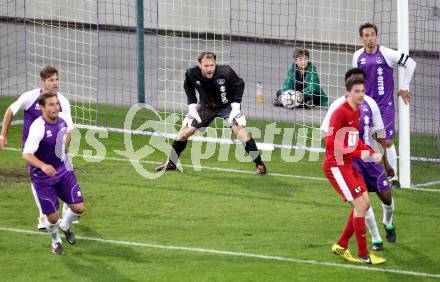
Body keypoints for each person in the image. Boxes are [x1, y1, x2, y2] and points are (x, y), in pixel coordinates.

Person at [321, 68, 397, 252]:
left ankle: (387, 222)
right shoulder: (337, 108)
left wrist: (385, 162)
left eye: (362, 87)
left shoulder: (369, 105)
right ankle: (375, 240)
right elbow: (328, 137)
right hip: (350, 161)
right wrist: (337, 159)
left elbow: (378, 134)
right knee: (363, 202)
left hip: (369, 159)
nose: (361, 92)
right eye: (356, 88)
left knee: (386, 196)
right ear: (348, 88)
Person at [156, 51, 267, 175]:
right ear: (199, 65)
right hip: (206, 106)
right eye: (206, 66)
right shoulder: (191, 73)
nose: (210, 69)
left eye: (212, 65)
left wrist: (236, 107)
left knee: (240, 132)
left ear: (215, 64)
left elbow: (239, 84)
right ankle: (171, 162)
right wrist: (192, 107)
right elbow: (188, 86)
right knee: (183, 134)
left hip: (227, 106)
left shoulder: (225, 72)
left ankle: (260, 165)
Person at [0, 65, 74, 230]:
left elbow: (69, 129)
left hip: (57, 149)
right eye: (51, 80)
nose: (55, 83)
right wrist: (3, 135)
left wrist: (63, 149)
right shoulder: (30, 97)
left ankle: (67, 208)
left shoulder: (63, 101)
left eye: (56, 79)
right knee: (38, 178)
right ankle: (43, 216)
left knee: (66, 175)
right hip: (33, 149)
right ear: (43, 82)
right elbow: (10, 111)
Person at [353, 23, 416, 188]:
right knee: (368, 140)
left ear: (376, 36)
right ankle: (370, 174)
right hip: (367, 106)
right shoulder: (358, 56)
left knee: (386, 141)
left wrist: (404, 87)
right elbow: (355, 80)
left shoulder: (387, 54)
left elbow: (411, 63)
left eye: (372, 34)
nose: (370, 38)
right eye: (366, 35)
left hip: (384, 106)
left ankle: (393, 177)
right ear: (362, 39)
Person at [22, 92, 85, 255]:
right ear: (42, 108)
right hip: (43, 178)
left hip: (63, 171)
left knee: (79, 208)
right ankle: (55, 240)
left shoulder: (63, 120)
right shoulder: (38, 127)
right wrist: (43, 166)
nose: (55, 107)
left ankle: (65, 226)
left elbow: (66, 137)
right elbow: (27, 154)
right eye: (51, 104)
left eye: (56, 104)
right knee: (52, 218)